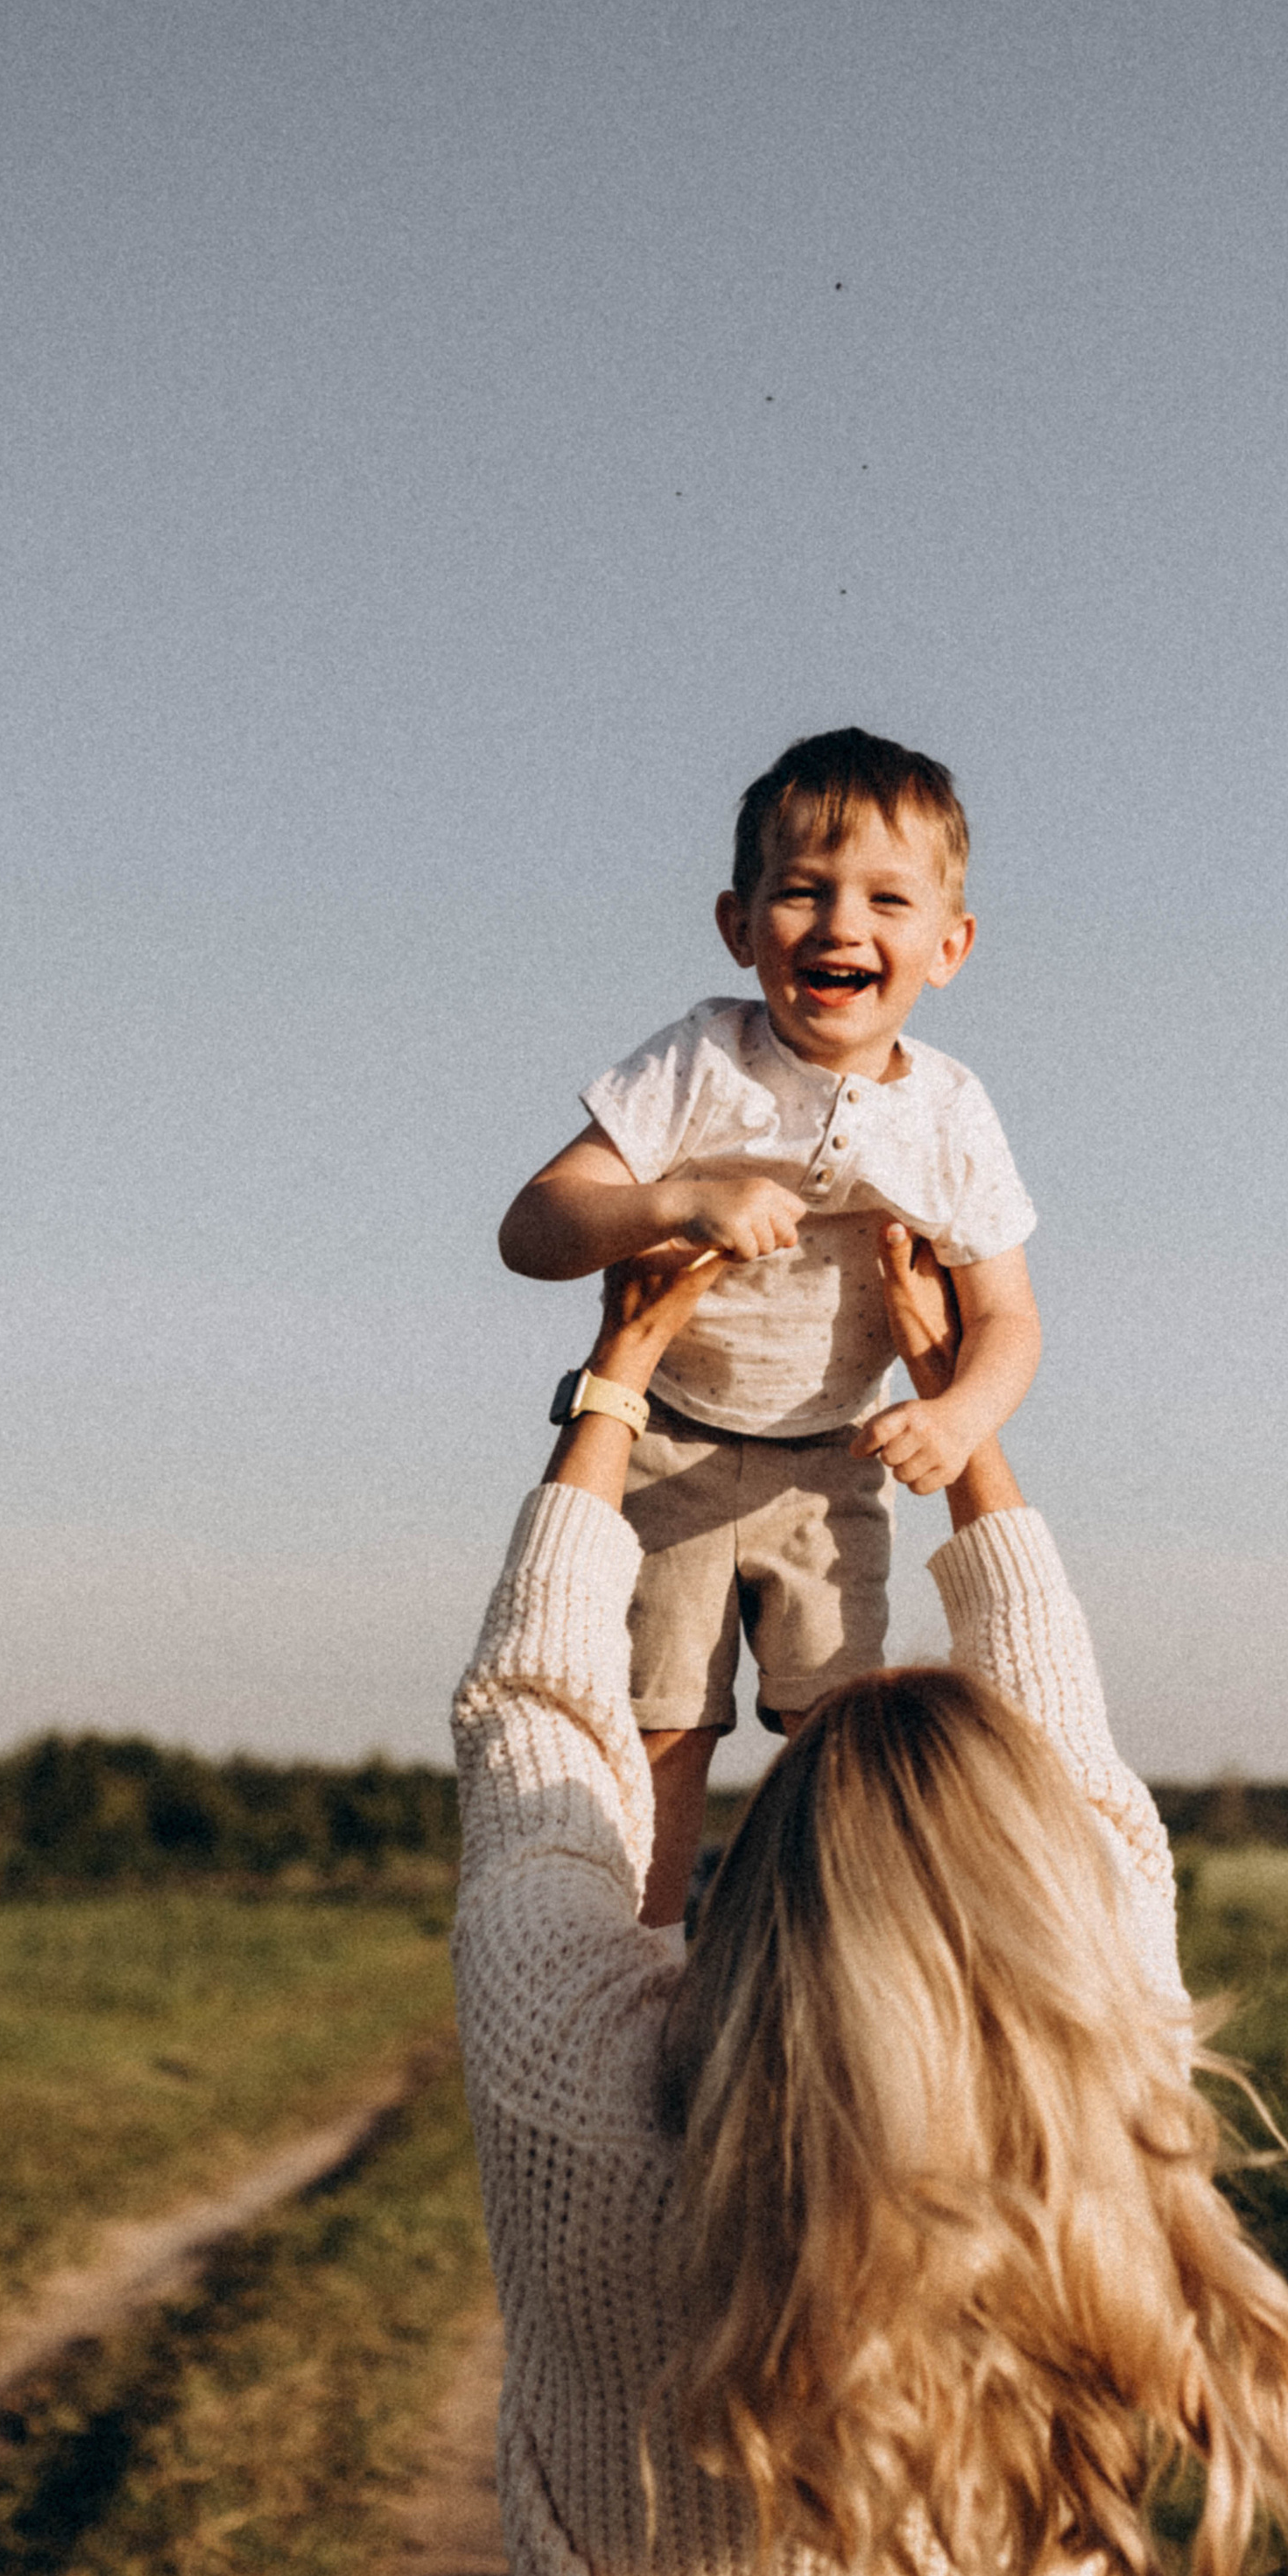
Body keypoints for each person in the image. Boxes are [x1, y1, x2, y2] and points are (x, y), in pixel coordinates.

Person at [445, 1229, 1288, 2576]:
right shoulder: (1094, 2130)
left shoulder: (573, 2097)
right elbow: (1085, 1780)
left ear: (759, 1894)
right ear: (1050, 1909)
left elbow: (534, 1744)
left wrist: (614, 1400)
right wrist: (967, 1429)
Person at [497, 727, 1043, 1928]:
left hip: (837, 1461)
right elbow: (533, 1227)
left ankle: (817, 1952)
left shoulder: (951, 1111)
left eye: (887, 900)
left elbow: (1007, 1316)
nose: (843, 925)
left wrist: (959, 1415)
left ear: (947, 947)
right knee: (662, 1723)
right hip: (672, 1445)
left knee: (833, 1729)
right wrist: (671, 1197)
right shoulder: (701, 1058)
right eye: (803, 892)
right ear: (739, 926)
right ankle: (645, 1957)